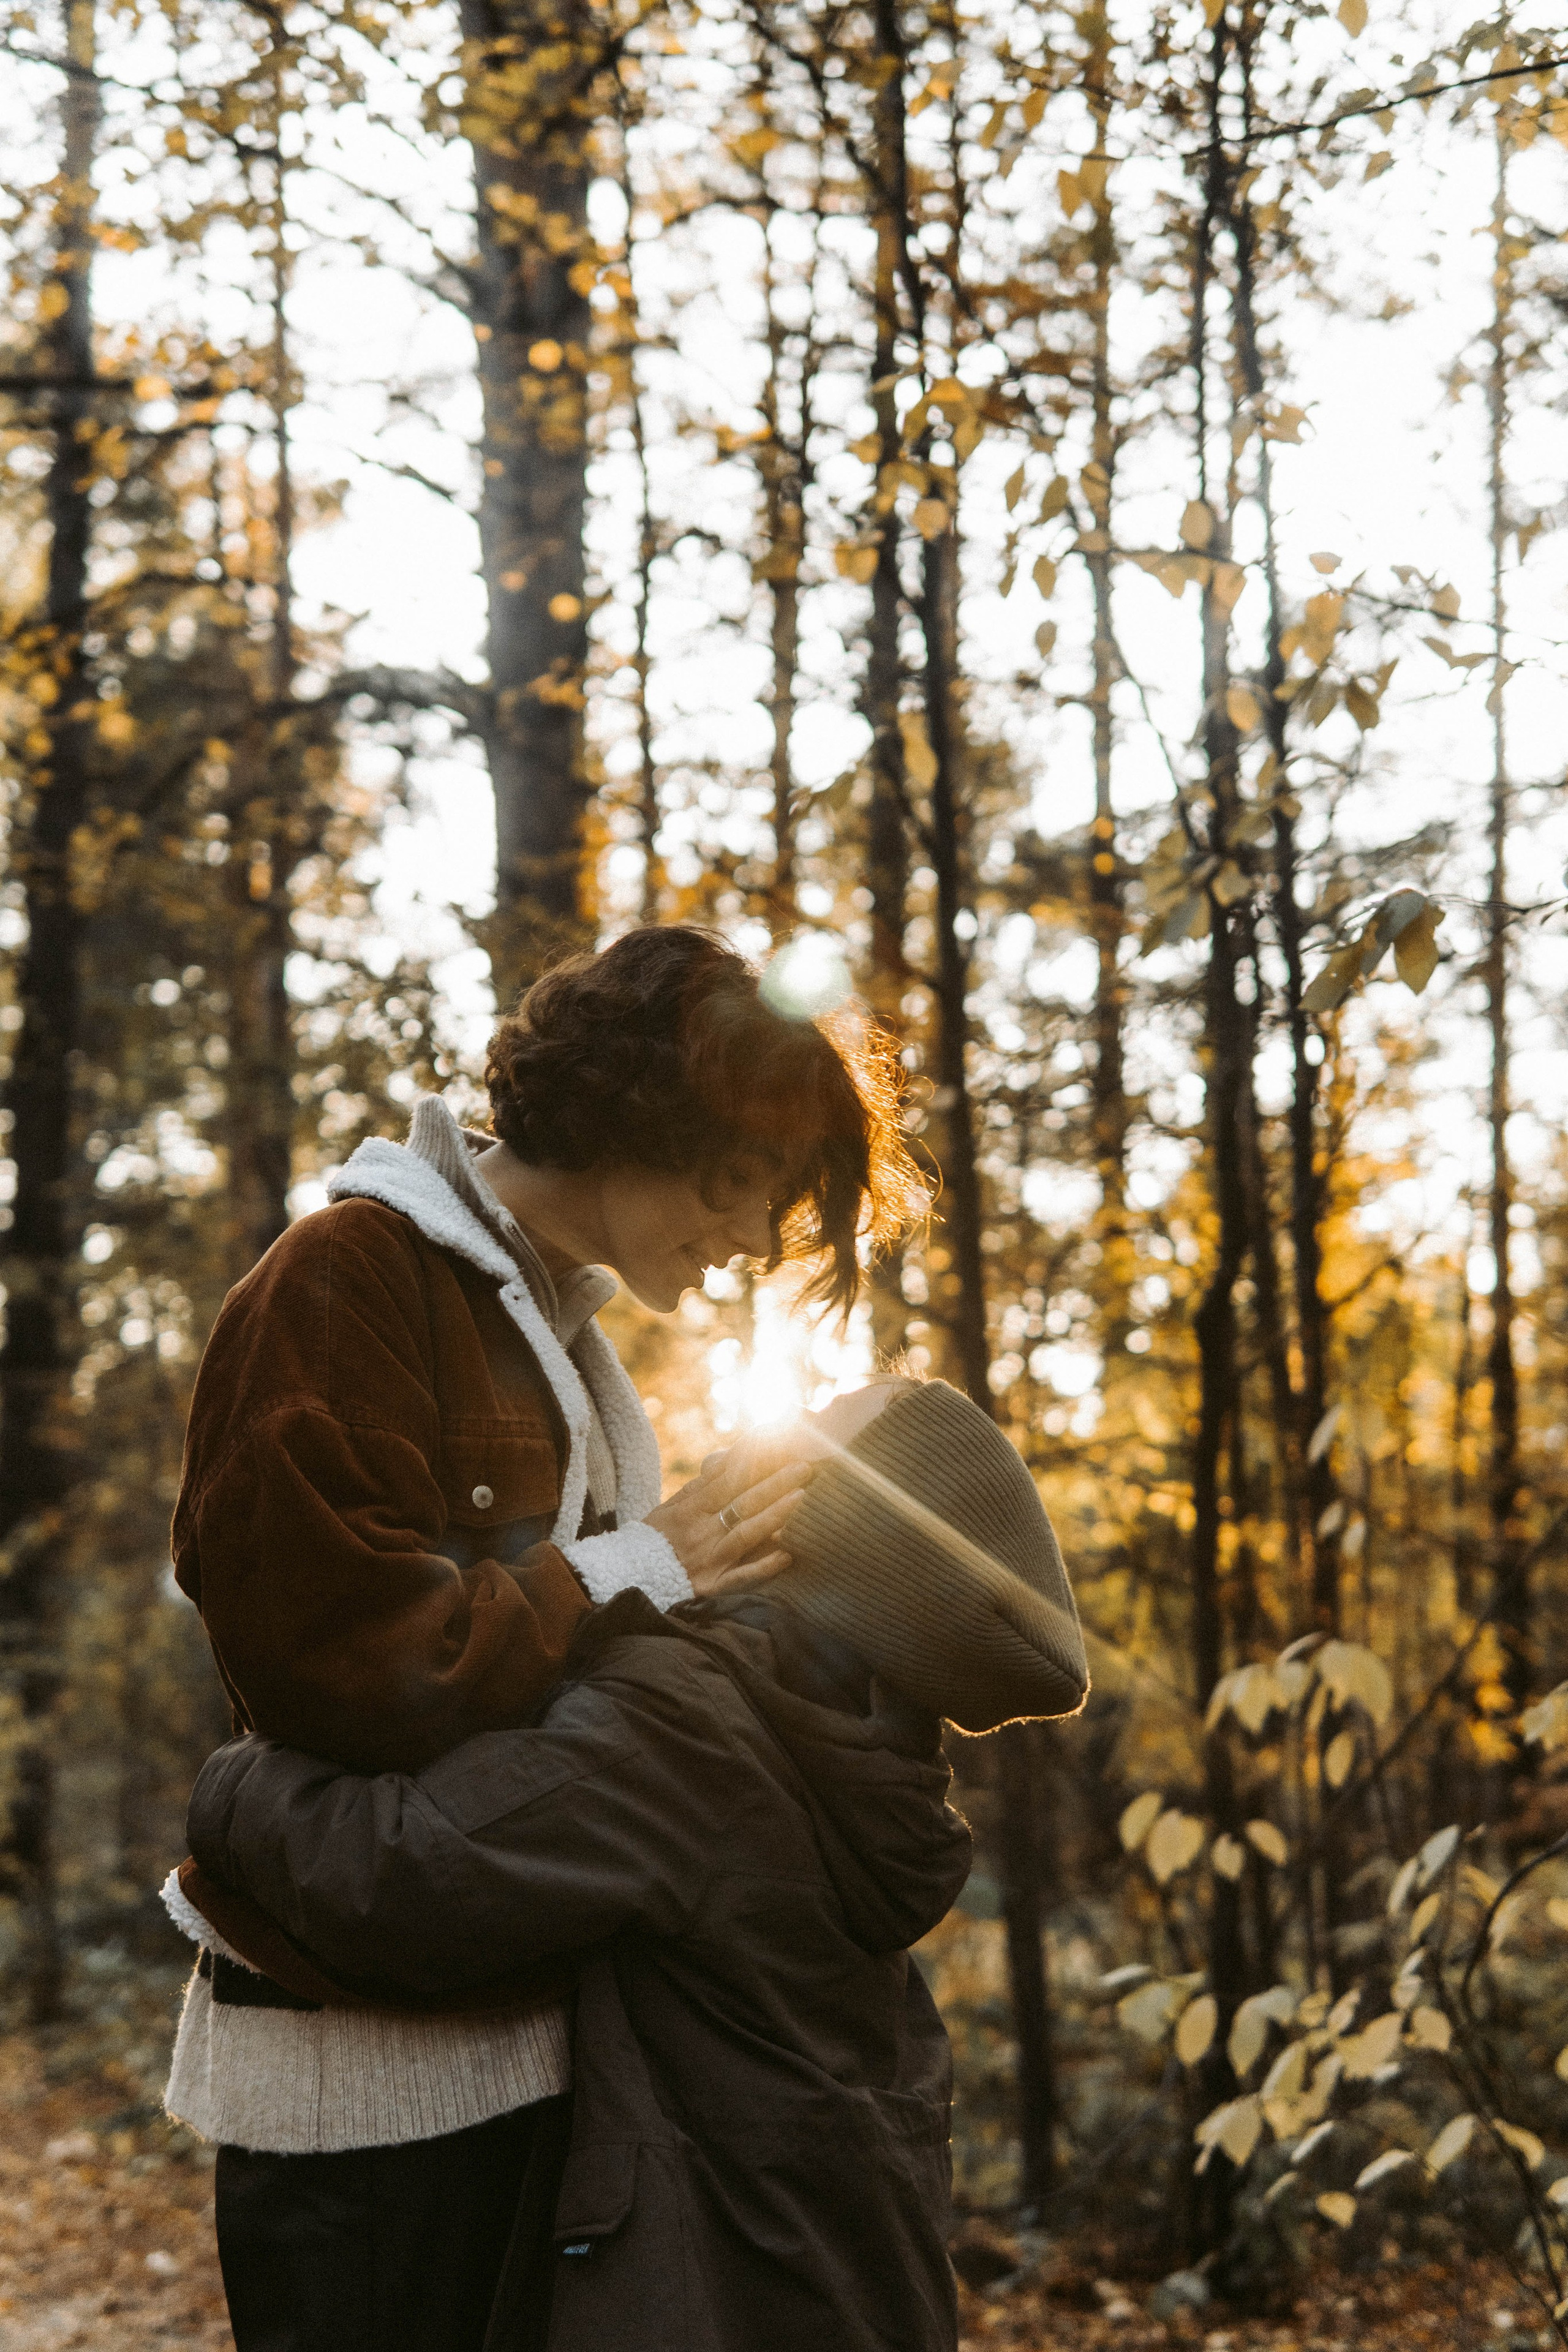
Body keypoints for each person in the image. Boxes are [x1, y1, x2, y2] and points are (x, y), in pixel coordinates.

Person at [159, 924, 925, 2347]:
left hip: (534, 2058)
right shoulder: (347, 1279)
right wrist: (651, 1560)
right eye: (751, 1181)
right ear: (651, 1115)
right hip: (365, 2096)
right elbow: (351, 1668)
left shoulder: (555, 1336)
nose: (756, 1239)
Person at [182, 1375, 1090, 2352]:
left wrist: (242, 1771)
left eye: (817, 1432)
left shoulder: (692, 1727)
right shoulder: (875, 1752)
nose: (770, 1423)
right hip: (834, 2288)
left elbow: (398, 1871)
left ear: (808, 1532)